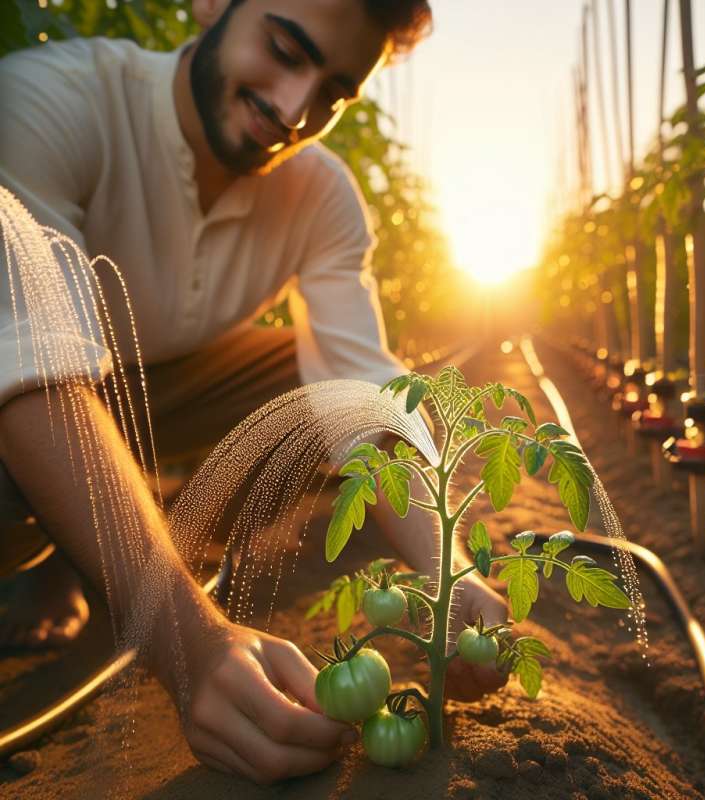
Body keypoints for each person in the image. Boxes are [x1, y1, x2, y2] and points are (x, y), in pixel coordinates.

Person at [0, 0, 509, 784]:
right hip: (21, 386)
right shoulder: (48, 104)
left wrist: (452, 572)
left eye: (334, 93)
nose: (295, 109)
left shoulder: (319, 195)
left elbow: (362, 393)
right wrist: (191, 640)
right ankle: (63, 553)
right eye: (282, 48)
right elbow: (32, 374)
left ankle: (128, 534)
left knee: (365, 396)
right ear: (210, 4)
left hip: (149, 386)